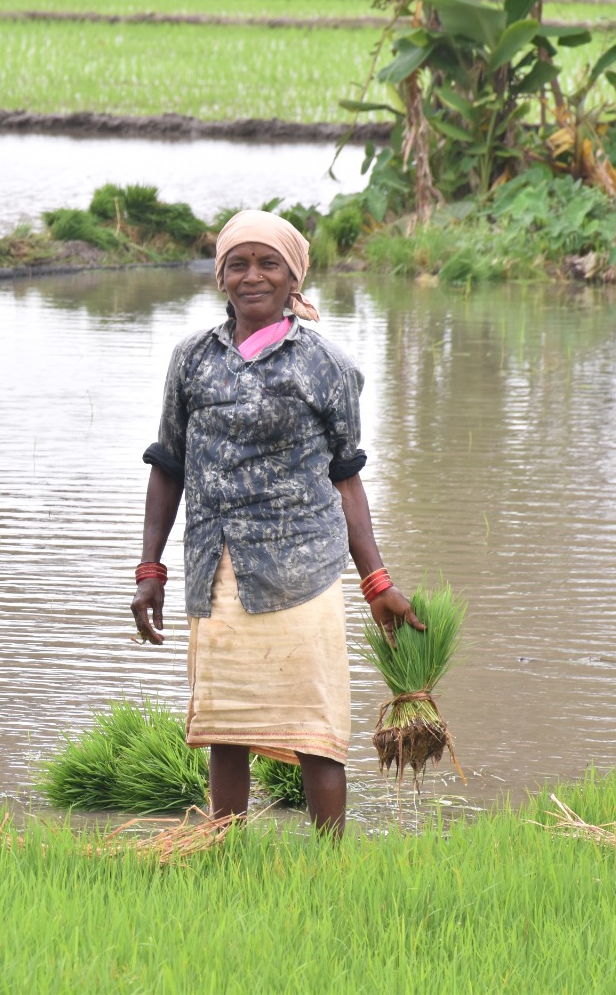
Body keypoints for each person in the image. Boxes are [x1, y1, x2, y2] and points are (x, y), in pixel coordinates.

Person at [129, 209, 421, 835]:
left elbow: (346, 477)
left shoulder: (326, 365)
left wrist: (376, 581)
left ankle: (329, 867)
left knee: (317, 734)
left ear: (294, 278)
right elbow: (168, 465)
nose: (253, 276)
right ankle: (222, 850)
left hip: (302, 574)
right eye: (238, 264)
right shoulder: (192, 360)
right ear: (221, 276)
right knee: (226, 729)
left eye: (269, 264)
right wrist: (150, 568)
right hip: (216, 572)